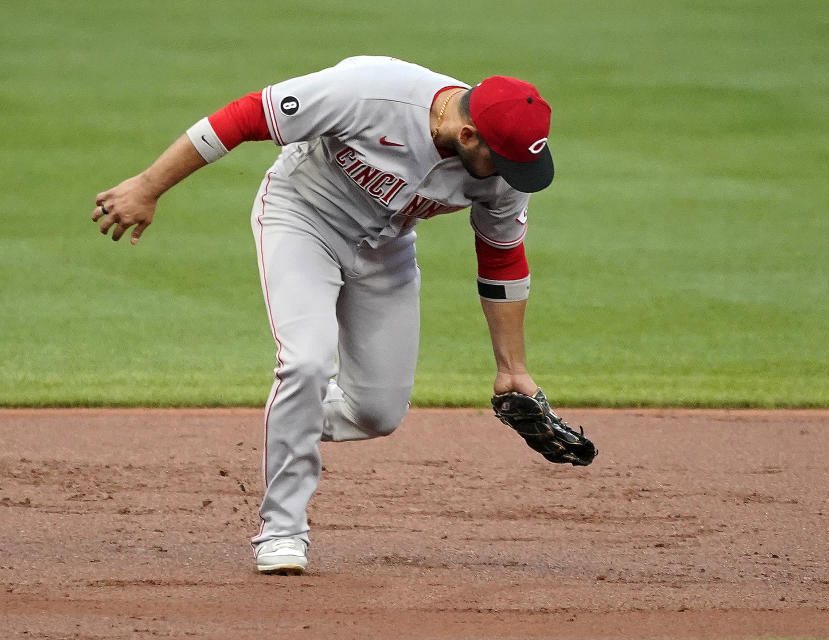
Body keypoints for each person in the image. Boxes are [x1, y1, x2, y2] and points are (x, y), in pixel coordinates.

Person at [91, 55, 555, 575]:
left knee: (377, 413)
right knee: (306, 365)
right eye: (504, 161)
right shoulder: (370, 91)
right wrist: (148, 187)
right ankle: (282, 530)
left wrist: (512, 368)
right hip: (300, 218)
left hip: (386, 251)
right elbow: (244, 117)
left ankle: (288, 415)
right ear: (467, 134)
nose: (512, 175)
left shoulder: (507, 169)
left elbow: (501, 258)